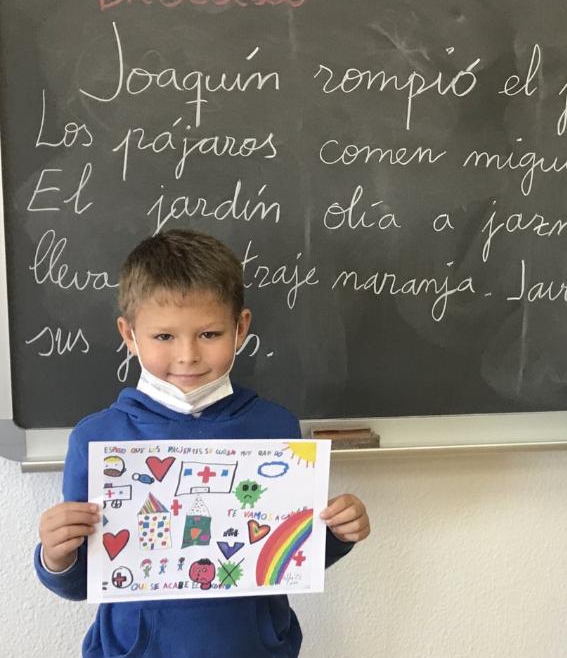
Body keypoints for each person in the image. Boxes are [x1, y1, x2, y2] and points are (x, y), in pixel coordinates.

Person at [35, 229, 370, 658]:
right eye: (164, 337)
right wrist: (55, 556)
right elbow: (84, 579)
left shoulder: (275, 427)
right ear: (129, 334)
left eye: (209, 334)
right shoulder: (97, 440)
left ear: (240, 327)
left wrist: (338, 533)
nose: (188, 355)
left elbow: (284, 557)